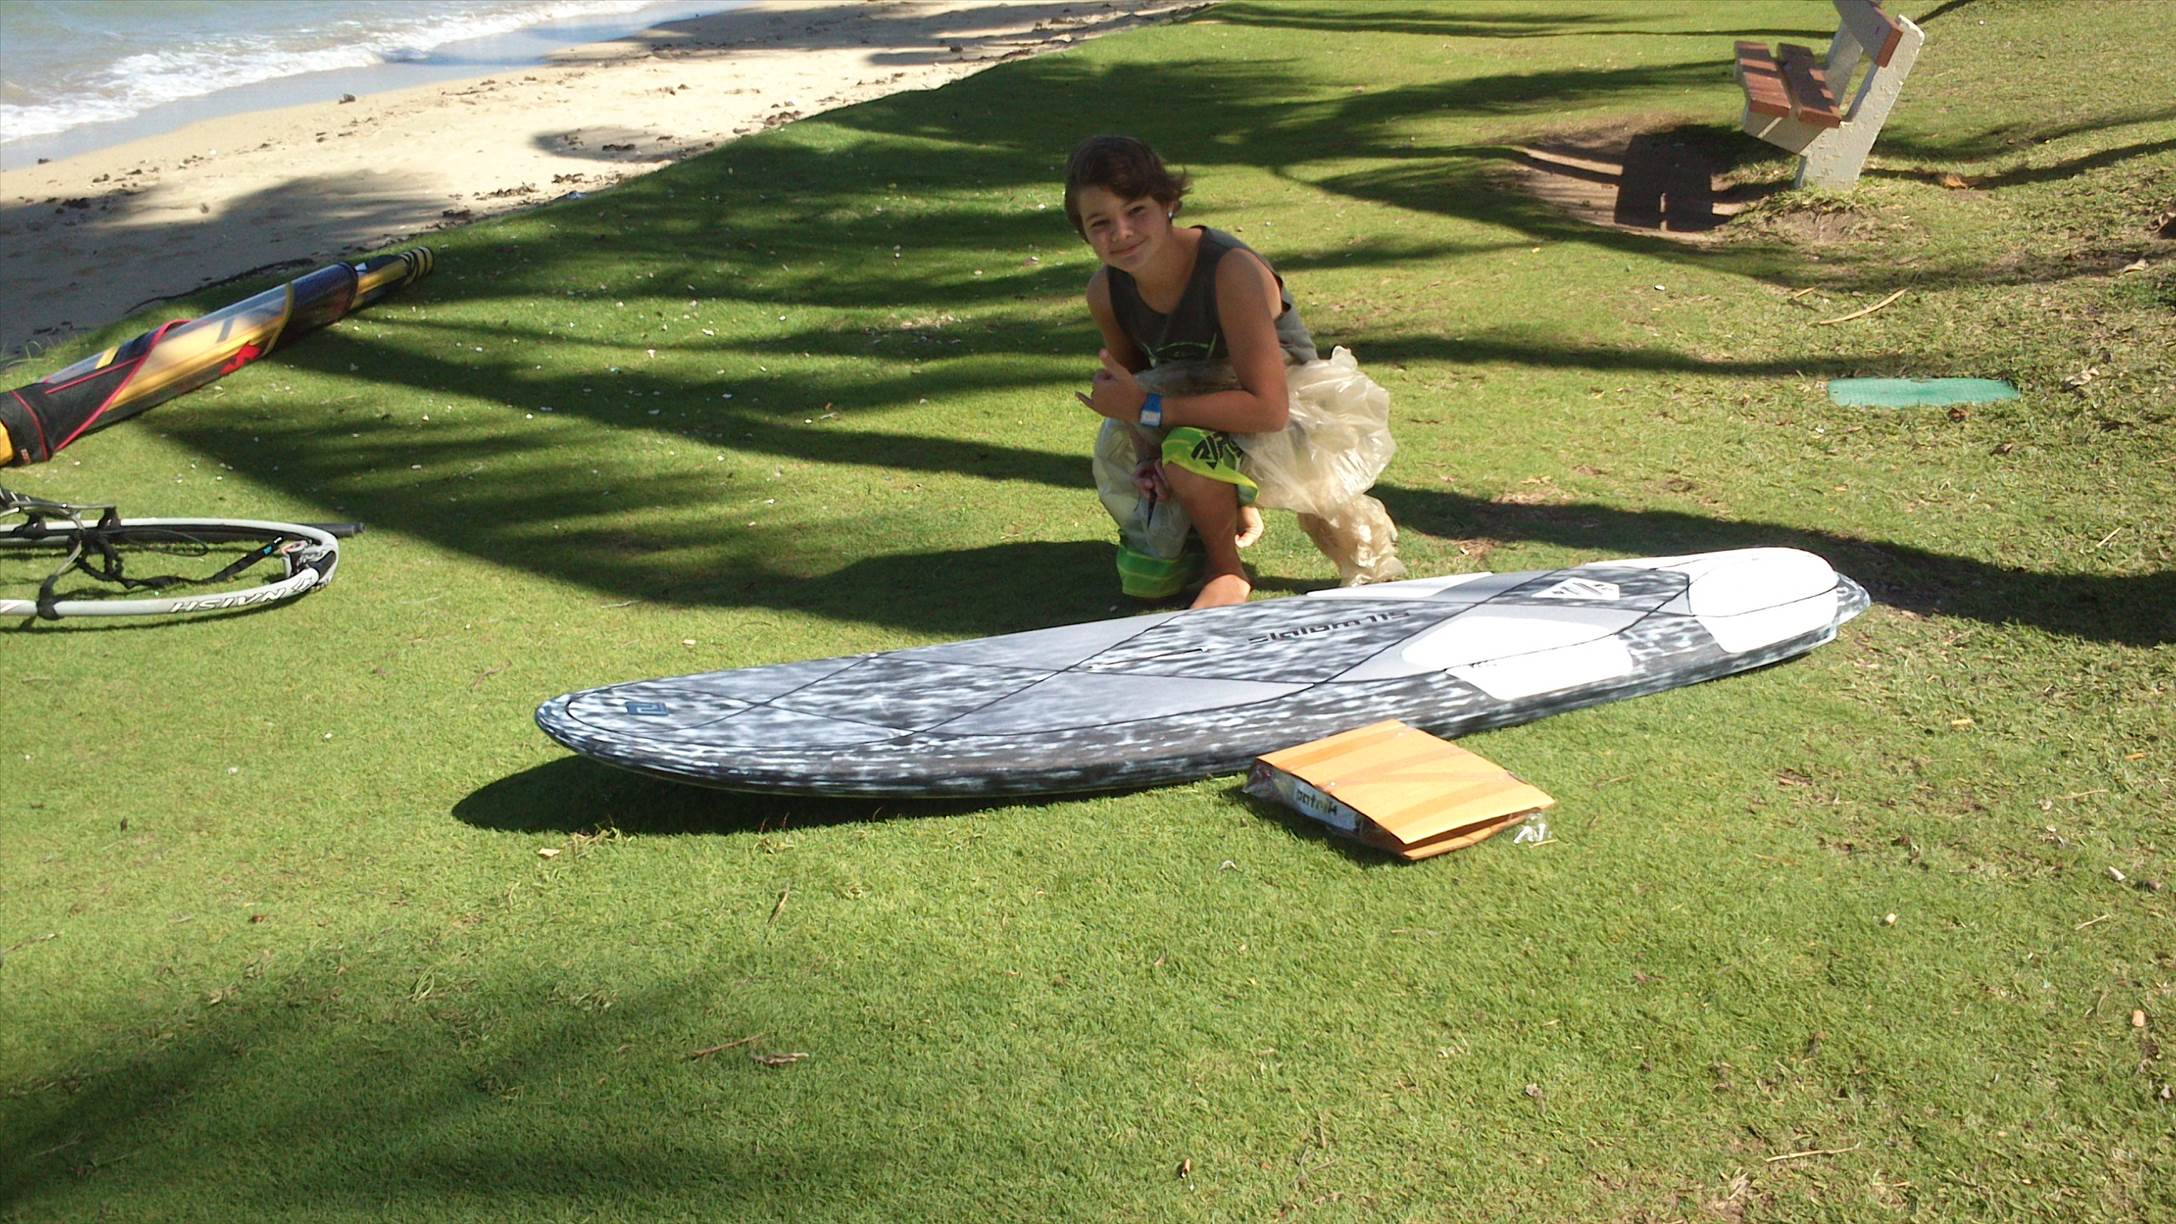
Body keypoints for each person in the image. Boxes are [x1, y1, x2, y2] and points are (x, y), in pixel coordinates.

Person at [1064, 135, 1402, 609]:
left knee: (1188, 452)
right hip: (1196, 408)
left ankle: (1227, 570)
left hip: (1296, 417)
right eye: (1100, 223)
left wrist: (1150, 411)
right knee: (1146, 579)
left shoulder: (1230, 270)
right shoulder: (1106, 291)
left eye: (1136, 211)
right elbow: (1138, 386)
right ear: (1083, 233)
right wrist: (1146, 461)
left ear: (1169, 203)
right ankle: (1220, 511)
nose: (1121, 233)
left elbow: (1268, 409)